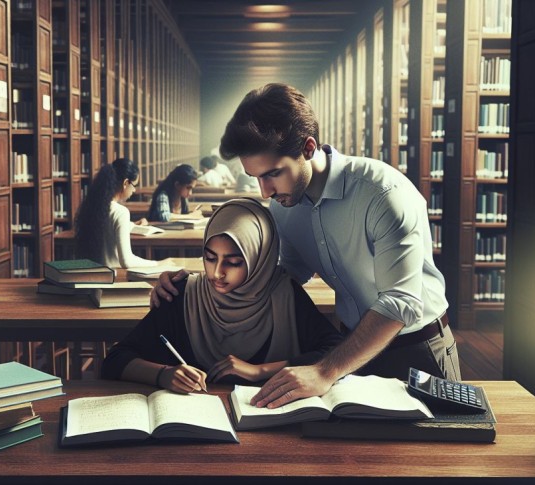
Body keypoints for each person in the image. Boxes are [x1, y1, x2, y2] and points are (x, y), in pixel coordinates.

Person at [151, 83, 459, 408]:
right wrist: (197, 284)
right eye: (255, 177)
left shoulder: (384, 194)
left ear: (308, 148)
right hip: (351, 350)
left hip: (417, 349)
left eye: (272, 174)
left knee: (436, 453)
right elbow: (284, 274)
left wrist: (325, 370)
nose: (264, 191)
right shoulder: (283, 207)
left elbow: (400, 302)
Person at [102, 198, 343, 394]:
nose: (217, 273)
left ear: (259, 258)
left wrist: (260, 371)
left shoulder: (284, 294)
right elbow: (115, 360)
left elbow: (336, 351)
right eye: (209, 258)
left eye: (234, 262)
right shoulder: (183, 292)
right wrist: (162, 374)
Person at [74, 158, 157, 269]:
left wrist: (131, 224)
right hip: (114, 278)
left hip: (92, 275)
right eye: (134, 185)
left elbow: (109, 224)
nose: (134, 190)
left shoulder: (94, 206)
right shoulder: (121, 212)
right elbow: (127, 262)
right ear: (125, 183)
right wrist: (157, 263)